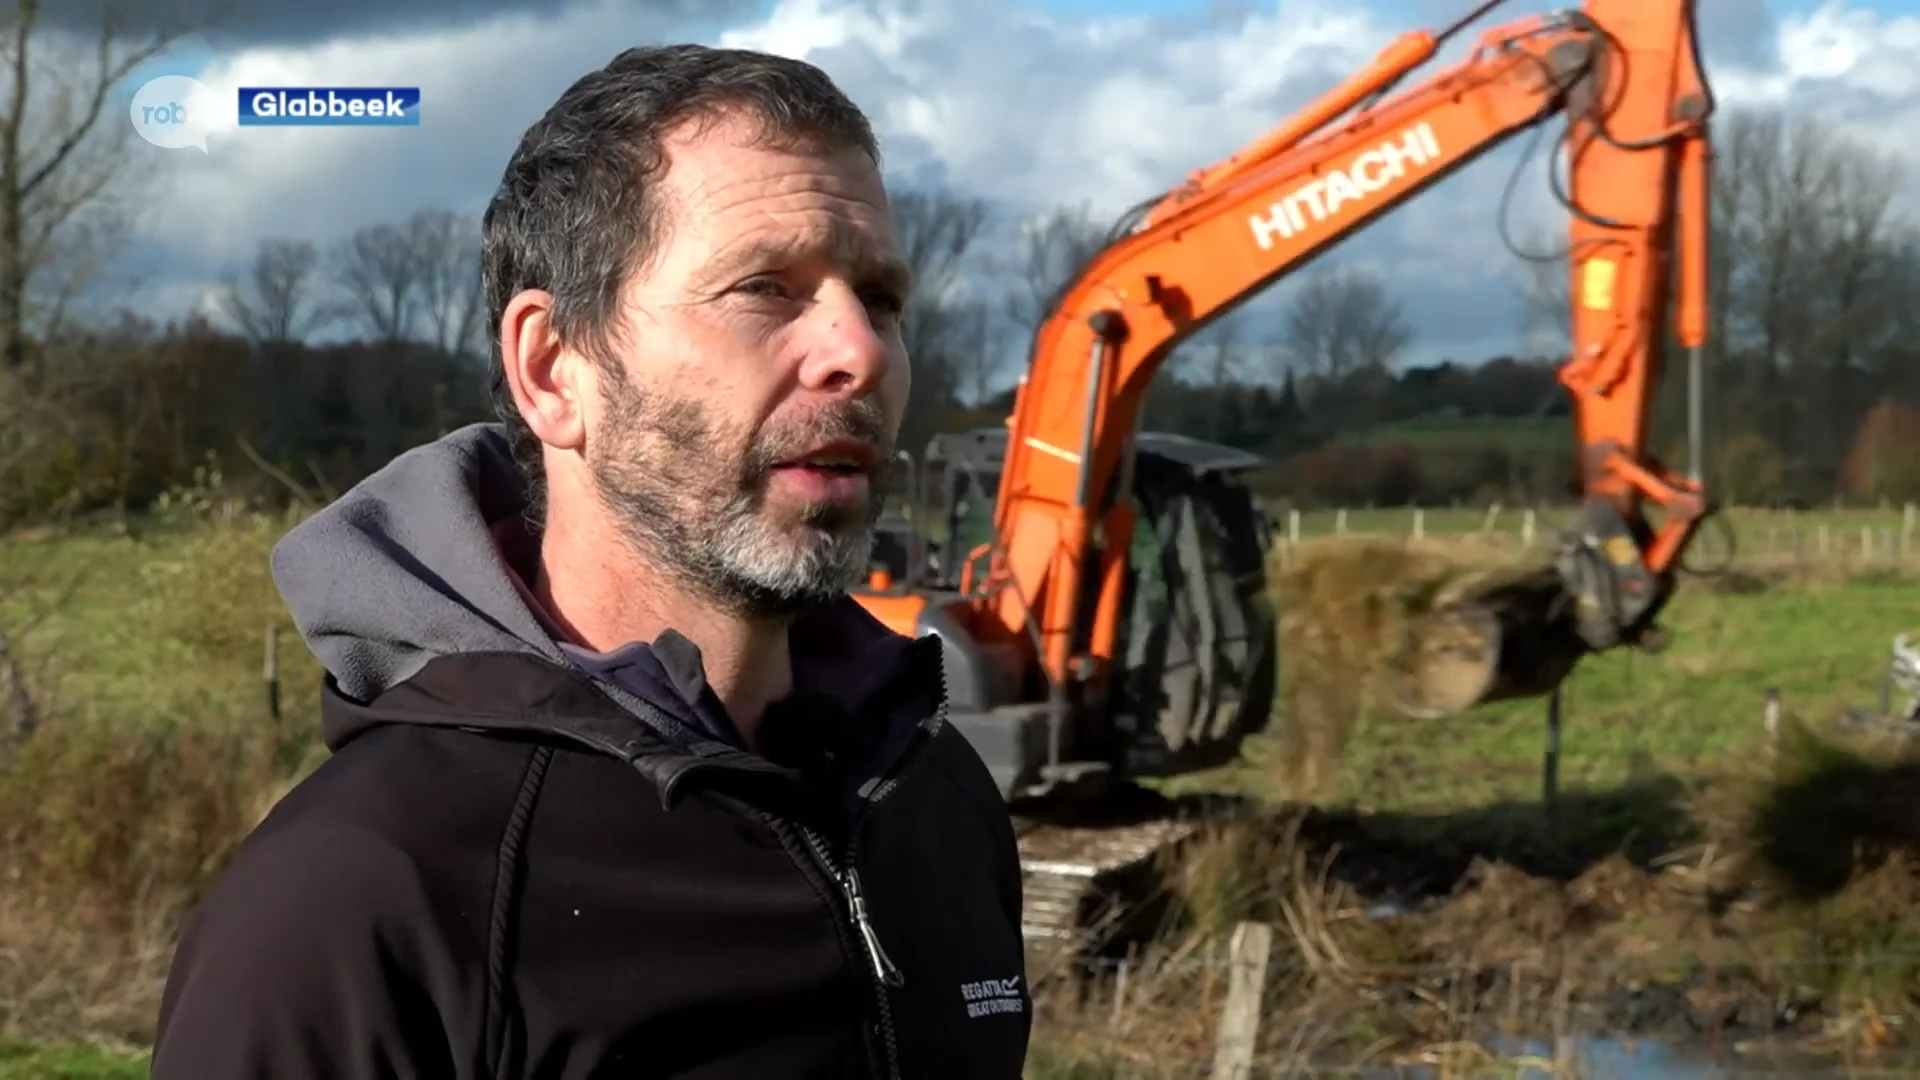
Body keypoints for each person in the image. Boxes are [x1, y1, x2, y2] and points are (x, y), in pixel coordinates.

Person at [150, 43, 1031, 1080]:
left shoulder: (932, 796)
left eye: (879, 299)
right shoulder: (362, 896)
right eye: (764, 288)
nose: (862, 351)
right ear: (552, 368)